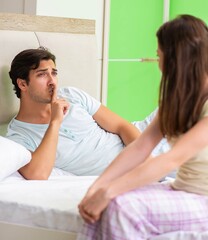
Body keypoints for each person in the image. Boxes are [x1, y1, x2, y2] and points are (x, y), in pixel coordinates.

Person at [77, 14, 208, 240]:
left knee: (123, 207)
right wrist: (97, 188)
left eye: (159, 55)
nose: (158, 62)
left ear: (177, 58)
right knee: (105, 205)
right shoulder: (178, 99)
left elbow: (172, 158)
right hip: (184, 190)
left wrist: (109, 191)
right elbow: (140, 147)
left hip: (203, 198)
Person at [6, 48, 170, 180]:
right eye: (42, 74)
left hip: (142, 144)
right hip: (128, 170)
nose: (52, 81)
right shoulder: (18, 136)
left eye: (54, 73)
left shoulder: (72, 95)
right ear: (22, 84)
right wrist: (55, 121)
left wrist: (146, 158)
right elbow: (38, 174)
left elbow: (121, 126)